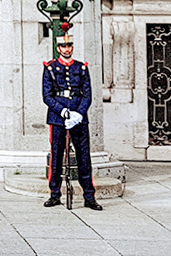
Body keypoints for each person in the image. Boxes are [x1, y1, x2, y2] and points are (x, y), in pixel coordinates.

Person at [41, 28, 101, 210]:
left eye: (69, 45)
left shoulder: (81, 68)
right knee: (56, 157)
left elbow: (87, 94)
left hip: (79, 117)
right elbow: (47, 95)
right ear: (58, 48)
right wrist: (63, 111)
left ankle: (89, 196)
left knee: (84, 157)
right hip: (58, 118)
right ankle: (54, 194)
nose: (67, 49)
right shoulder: (50, 68)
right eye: (63, 46)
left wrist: (79, 113)